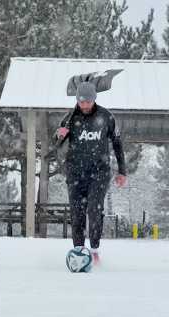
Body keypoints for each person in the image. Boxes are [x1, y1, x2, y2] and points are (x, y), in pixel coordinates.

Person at [54, 81, 126, 265]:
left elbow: (117, 144)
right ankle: (78, 249)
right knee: (77, 213)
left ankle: (94, 249)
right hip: (75, 173)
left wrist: (122, 171)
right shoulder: (70, 118)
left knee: (94, 209)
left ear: (94, 99)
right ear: (77, 100)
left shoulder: (106, 117)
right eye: (81, 101)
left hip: (99, 172)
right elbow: (57, 143)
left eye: (88, 101)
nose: (85, 105)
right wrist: (59, 135)